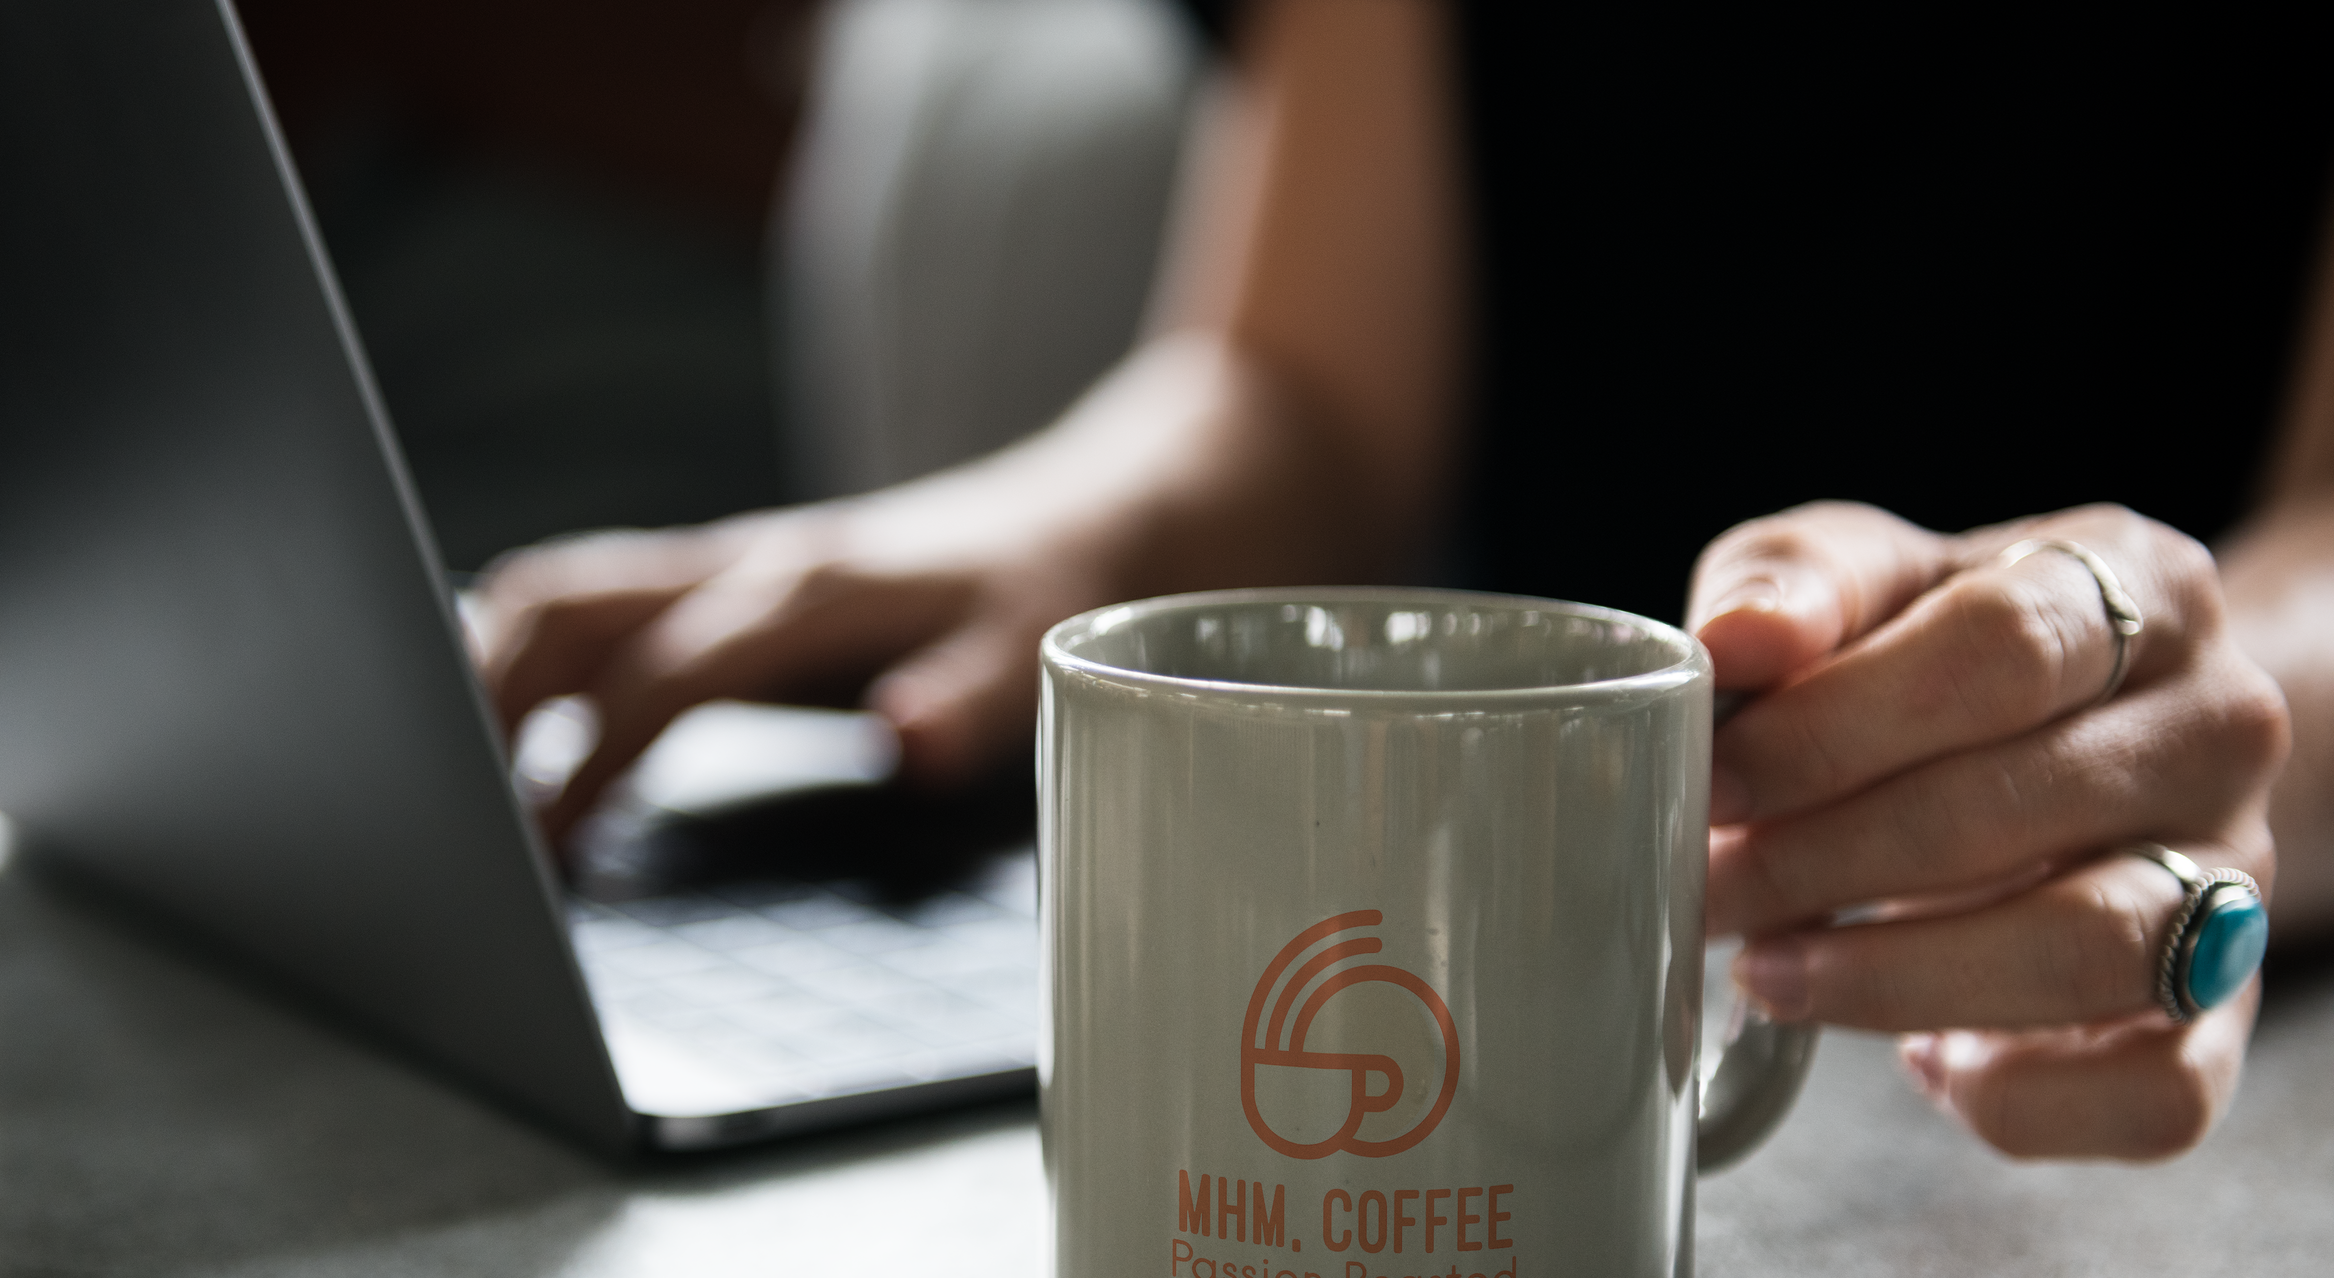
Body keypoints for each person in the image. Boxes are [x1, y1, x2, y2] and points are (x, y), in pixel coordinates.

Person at [472, 0, 2328, 1162]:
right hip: (1521, 966)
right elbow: (1309, 387)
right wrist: (1039, 536)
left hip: (2117, 1044)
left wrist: (2179, 706)